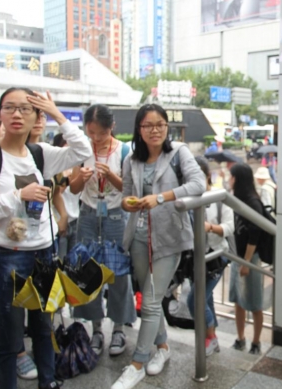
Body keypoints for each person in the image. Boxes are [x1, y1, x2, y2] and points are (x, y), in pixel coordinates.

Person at [0, 88, 91, 389]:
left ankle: (48, 381)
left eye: (25, 109)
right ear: (0, 114)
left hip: (43, 253)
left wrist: (57, 114)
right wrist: (18, 195)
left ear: (36, 116)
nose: (17, 114)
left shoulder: (39, 153)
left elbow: (82, 150)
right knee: (9, 338)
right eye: (9, 108)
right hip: (8, 256)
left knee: (43, 329)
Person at [114, 104, 205, 389]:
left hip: (169, 237)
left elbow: (199, 184)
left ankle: (137, 364)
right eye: (148, 125)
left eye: (160, 124)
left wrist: (161, 197)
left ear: (167, 127)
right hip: (139, 237)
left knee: (151, 301)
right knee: (150, 297)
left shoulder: (178, 152)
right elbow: (125, 196)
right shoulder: (131, 160)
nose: (155, 130)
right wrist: (128, 203)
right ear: (139, 129)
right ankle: (163, 348)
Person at [69, 104, 135, 357]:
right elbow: (74, 189)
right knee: (88, 272)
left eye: (102, 133)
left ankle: (118, 328)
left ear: (112, 127)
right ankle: (96, 328)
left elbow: (130, 189)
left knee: (118, 273)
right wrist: (82, 178)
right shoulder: (82, 150)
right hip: (88, 215)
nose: (96, 138)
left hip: (115, 216)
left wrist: (111, 176)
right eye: (91, 132)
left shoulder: (125, 151)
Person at [186, 157, 234, 356]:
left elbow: (229, 227)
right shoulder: (187, 199)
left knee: (194, 300)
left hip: (216, 258)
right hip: (195, 257)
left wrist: (210, 228)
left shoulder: (218, 198)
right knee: (206, 299)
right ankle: (211, 338)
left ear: (207, 176)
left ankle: (211, 336)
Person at [228, 163, 265, 355]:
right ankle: (240, 338)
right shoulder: (238, 199)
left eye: (231, 176)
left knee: (255, 302)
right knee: (238, 300)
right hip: (238, 257)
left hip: (250, 258)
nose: (229, 180)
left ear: (238, 179)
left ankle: (256, 342)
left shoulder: (253, 202)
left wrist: (247, 262)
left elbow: (254, 235)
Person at [52, 134, 80, 259]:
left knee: (75, 260)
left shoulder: (77, 167)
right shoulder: (55, 168)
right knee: (60, 260)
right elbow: (56, 193)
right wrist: (65, 179)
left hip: (75, 220)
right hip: (60, 221)